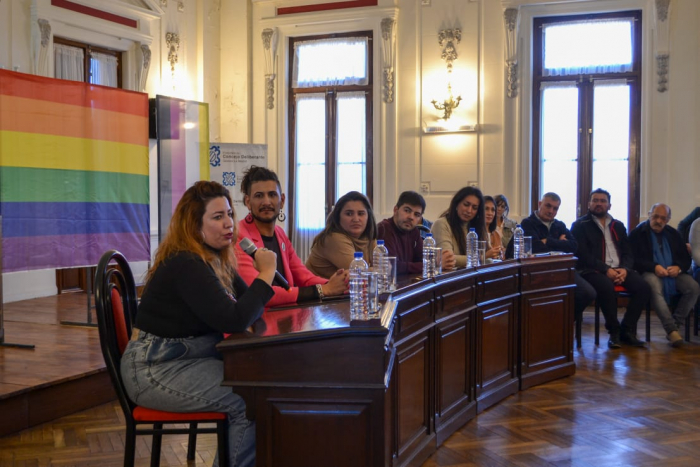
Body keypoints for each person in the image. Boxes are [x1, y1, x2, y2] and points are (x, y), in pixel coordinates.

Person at [121, 181, 276, 467]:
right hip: (155, 368)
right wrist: (266, 273)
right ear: (194, 226)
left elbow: (246, 306)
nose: (229, 223)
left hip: (187, 359)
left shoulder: (216, 257)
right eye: (218, 217)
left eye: (230, 213)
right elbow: (236, 318)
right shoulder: (185, 262)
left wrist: (261, 280)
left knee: (261, 382)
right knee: (249, 401)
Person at [235, 166, 347, 307]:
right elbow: (259, 293)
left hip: (285, 316)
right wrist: (323, 290)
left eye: (272, 195)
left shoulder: (280, 233)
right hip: (257, 322)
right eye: (258, 196)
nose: (266, 202)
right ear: (247, 202)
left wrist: (337, 284)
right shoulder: (239, 236)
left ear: (281, 200)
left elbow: (304, 277)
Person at [571, 188, 651, 349]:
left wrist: (625, 269)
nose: (599, 204)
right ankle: (614, 332)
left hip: (619, 269)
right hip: (592, 270)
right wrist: (606, 269)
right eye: (595, 200)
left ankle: (626, 331)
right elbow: (583, 254)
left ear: (609, 205)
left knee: (643, 287)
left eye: (602, 201)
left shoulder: (618, 225)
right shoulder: (580, 225)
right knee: (606, 287)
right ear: (589, 204)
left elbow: (628, 252)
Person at [509, 192, 596, 329]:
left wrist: (548, 241)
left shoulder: (559, 225)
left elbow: (573, 246)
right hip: (537, 271)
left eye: (555, 208)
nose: (551, 211)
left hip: (562, 269)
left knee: (588, 292)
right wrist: (559, 242)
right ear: (539, 204)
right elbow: (536, 248)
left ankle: (563, 325)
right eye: (548, 206)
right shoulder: (527, 224)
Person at [629, 203, 700, 347]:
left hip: (673, 273)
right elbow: (633, 259)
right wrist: (654, 267)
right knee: (654, 286)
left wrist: (679, 267)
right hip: (648, 272)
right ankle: (671, 330)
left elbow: (686, 259)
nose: (658, 221)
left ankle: (675, 324)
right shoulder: (637, 233)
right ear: (649, 214)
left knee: (693, 287)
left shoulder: (673, 234)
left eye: (663, 218)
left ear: (668, 220)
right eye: (655, 216)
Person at [376, 190, 456, 274]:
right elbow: (393, 266)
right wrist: (433, 264)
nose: (411, 217)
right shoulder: (384, 228)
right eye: (407, 210)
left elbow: (423, 259)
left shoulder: (414, 231)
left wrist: (445, 260)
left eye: (416, 215)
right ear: (396, 210)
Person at [305, 191, 377, 278]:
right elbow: (357, 272)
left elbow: (386, 267)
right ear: (338, 217)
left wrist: (380, 269)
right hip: (316, 290)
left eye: (361, 213)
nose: (356, 219)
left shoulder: (367, 238)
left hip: (346, 290)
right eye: (349, 214)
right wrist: (377, 269)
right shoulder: (333, 238)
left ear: (368, 216)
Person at [431, 186, 487, 268]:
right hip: (448, 278)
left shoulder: (475, 227)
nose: (469, 210)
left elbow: (485, 256)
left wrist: (485, 258)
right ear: (457, 204)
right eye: (466, 205)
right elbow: (448, 259)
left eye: (474, 208)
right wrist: (480, 258)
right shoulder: (441, 224)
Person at [483, 195, 505, 260]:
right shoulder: (474, 234)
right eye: (486, 209)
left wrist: (501, 254)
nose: (490, 213)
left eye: (493, 210)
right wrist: (486, 255)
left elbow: (502, 259)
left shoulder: (496, 234)